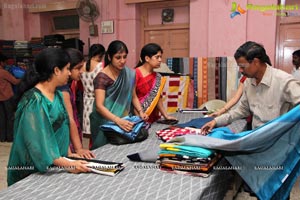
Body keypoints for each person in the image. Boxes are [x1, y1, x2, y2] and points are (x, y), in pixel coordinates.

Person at [7, 48, 90, 186]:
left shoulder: (57, 95)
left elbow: (62, 128)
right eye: (68, 69)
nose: (70, 73)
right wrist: (68, 164)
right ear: (56, 70)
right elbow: (38, 145)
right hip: (30, 171)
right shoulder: (34, 101)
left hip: (54, 164)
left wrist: (69, 154)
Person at [201, 41, 300, 135]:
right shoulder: (248, 82)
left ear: (255, 62)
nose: (240, 70)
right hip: (255, 137)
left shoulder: (284, 81)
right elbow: (241, 111)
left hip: (277, 141)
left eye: (243, 67)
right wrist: (216, 121)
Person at [90, 40, 148, 149]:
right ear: (109, 57)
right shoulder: (101, 78)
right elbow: (99, 106)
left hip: (124, 120)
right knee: (104, 151)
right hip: (105, 122)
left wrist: (141, 112)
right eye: (118, 57)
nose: (122, 61)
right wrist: (118, 121)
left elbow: (133, 96)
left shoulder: (129, 74)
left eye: (124, 57)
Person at [58, 48, 95, 159]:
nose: (81, 72)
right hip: (68, 136)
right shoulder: (63, 90)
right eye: (78, 68)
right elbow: (69, 119)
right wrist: (78, 148)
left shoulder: (68, 85)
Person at [135, 43, 177, 123]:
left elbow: (157, 98)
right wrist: (139, 114)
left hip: (153, 117)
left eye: (160, 57)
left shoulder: (158, 77)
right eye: (157, 57)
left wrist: (166, 116)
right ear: (147, 58)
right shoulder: (135, 74)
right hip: (138, 117)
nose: (160, 60)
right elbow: (131, 98)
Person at [81, 44, 105, 136]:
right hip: (98, 101)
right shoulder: (101, 66)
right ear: (101, 54)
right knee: (98, 130)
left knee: (88, 129)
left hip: (86, 101)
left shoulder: (82, 66)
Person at [0, 53, 21, 142]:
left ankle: (2, 137)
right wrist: (25, 78)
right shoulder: (4, 72)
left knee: (1, 118)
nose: (5, 64)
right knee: (10, 118)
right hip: (7, 97)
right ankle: (10, 137)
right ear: (1, 62)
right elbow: (15, 82)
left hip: (0, 98)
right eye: (4, 62)